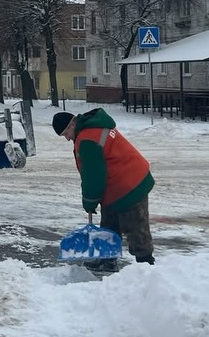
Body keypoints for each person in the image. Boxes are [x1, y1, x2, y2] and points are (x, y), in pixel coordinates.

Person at [53, 108, 155, 270]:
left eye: (66, 133)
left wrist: (89, 201)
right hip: (123, 179)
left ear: (72, 125)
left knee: (135, 225)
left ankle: (146, 264)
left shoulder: (87, 139)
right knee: (109, 220)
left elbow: (93, 175)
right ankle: (108, 259)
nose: (67, 138)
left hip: (129, 184)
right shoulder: (94, 127)